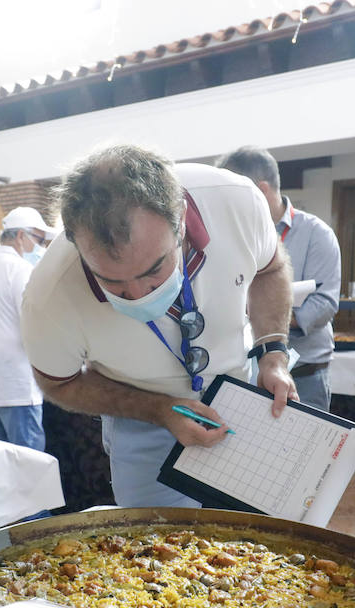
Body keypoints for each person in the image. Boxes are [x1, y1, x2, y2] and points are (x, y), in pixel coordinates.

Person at [21, 144, 297, 508]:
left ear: (180, 220)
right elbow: (59, 383)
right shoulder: (49, 295)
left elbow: (271, 269)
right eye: (112, 281)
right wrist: (158, 410)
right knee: (156, 555)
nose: (137, 296)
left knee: (253, 543)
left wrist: (272, 353)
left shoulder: (236, 202)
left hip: (240, 399)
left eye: (153, 270)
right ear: (75, 243)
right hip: (141, 422)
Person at [215, 146, 341, 411]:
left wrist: (265, 313)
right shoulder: (230, 235)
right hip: (247, 372)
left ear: (260, 191)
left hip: (306, 373)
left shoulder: (317, 234)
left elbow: (323, 306)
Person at [0, 220, 47, 450]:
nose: (40, 246)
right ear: (21, 236)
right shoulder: (19, 269)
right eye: (39, 239)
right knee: (29, 462)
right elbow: (33, 322)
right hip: (16, 380)